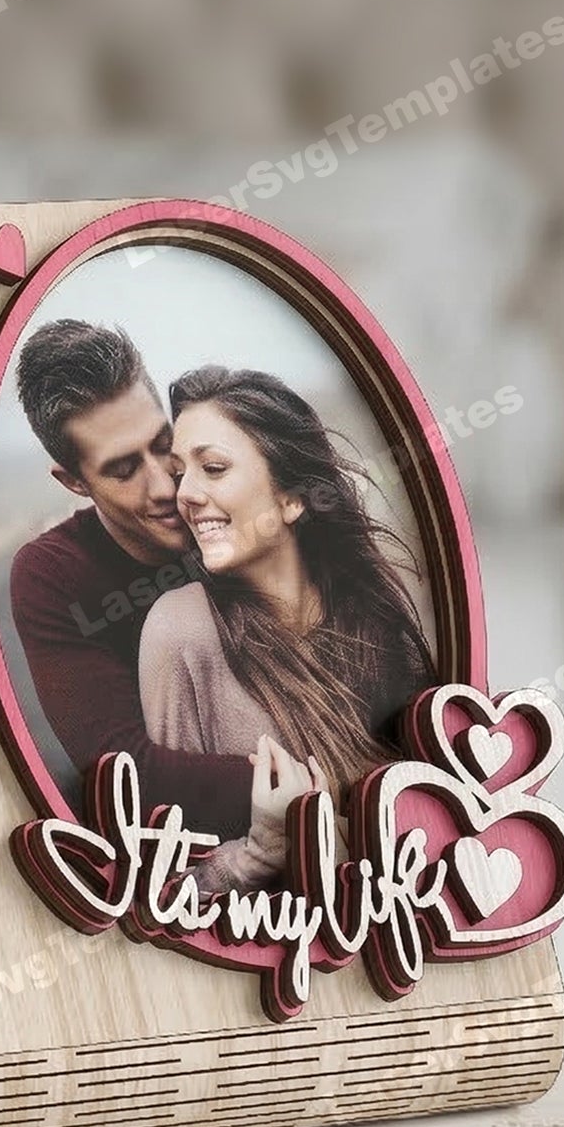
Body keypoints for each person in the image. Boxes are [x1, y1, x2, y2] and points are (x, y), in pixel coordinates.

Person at [139, 365, 436, 892]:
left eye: (213, 467)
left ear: (292, 499)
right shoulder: (180, 631)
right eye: (180, 473)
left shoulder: (377, 620)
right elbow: (163, 882)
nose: (185, 494)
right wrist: (261, 853)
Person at [10, 320, 252, 841]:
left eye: (163, 445)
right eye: (123, 470)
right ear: (74, 482)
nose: (164, 486)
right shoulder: (52, 575)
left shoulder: (238, 490)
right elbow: (125, 773)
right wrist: (312, 786)